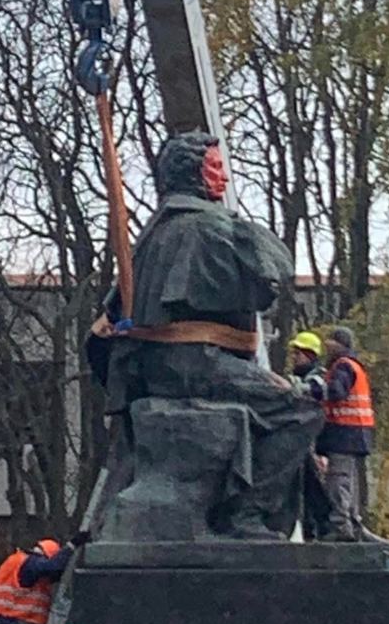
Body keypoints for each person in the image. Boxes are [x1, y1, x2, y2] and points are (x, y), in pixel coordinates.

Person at [88, 131, 322, 540]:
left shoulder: (152, 235)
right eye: (215, 168)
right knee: (299, 409)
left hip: (163, 367)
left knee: (280, 397)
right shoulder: (208, 226)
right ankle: (247, 513)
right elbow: (267, 279)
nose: (224, 178)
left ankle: (334, 520)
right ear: (192, 173)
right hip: (193, 367)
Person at [311, 326, 377, 542]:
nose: (326, 345)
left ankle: (341, 525)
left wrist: (313, 390)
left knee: (338, 479)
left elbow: (337, 392)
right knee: (349, 481)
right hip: (356, 432)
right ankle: (353, 523)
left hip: (345, 432)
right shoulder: (353, 365)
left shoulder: (343, 366)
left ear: (339, 344)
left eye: (330, 341)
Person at [288, 331, 330, 540]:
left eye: (298, 354)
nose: (294, 358)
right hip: (302, 439)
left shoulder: (319, 377)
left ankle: (324, 525)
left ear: (310, 355)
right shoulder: (299, 377)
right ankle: (309, 528)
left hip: (315, 440)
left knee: (314, 486)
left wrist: (290, 387)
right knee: (303, 486)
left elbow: (316, 391)